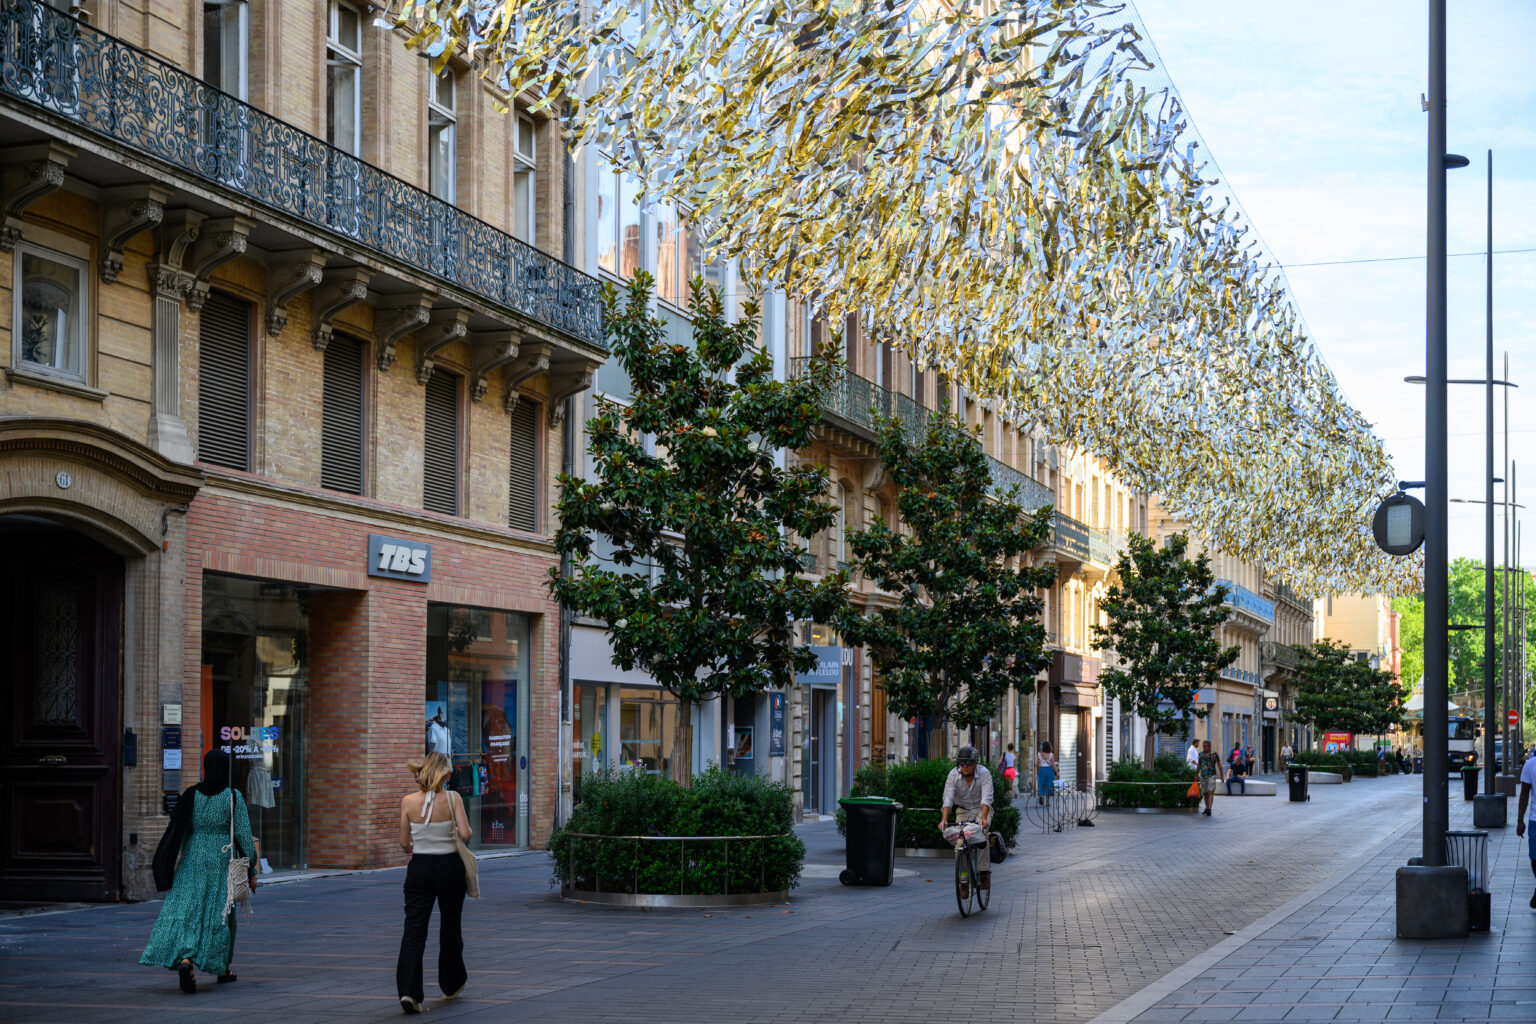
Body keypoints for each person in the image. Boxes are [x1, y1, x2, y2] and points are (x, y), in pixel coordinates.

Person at [141, 749, 258, 993]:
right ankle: (222, 969)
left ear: (205, 767)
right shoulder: (232, 796)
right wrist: (251, 869)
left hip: (193, 858)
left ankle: (185, 959)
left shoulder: (191, 795)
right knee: (220, 913)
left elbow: (182, 831)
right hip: (222, 859)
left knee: (188, 909)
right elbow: (243, 835)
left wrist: (188, 853)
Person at [397, 751, 473, 1014]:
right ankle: (452, 983)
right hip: (449, 867)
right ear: (444, 774)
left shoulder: (408, 801)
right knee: (450, 925)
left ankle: (409, 992)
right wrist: (452, 830)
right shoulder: (453, 798)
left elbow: (404, 843)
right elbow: (466, 833)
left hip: (419, 868)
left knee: (414, 929)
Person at [938, 746, 994, 896]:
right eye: (961, 763)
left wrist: (983, 819)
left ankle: (983, 872)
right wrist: (944, 820)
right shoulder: (953, 775)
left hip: (980, 809)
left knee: (982, 833)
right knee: (960, 842)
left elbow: (986, 799)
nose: (965, 766)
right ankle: (963, 879)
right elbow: (948, 799)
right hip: (962, 811)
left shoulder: (984, 774)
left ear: (975, 763)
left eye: (968, 763)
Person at [1197, 740, 1225, 816]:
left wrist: (1222, 776)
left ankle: (1209, 808)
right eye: (1203, 746)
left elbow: (1219, 765)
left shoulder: (1214, 754)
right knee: (1205, 793)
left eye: (1206, 746)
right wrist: (1196, 774)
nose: (1204, 748)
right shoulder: (1201, 754)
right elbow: (1199, 764)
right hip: (1203, 776)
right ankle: (1207, 808)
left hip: (1211, 775)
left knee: (1210, 792)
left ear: (1209, 747)